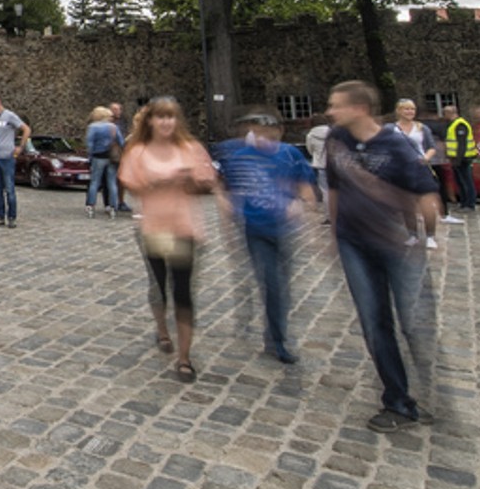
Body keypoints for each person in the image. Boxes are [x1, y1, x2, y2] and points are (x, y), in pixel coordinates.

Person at [325, 80, 440, 433]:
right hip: (353, 242)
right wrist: (334, 232)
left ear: (359, 108)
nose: (331, 111)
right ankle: (398, 400)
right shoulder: (337, 140)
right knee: (375, 323)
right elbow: (333, 187)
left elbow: (426, 194)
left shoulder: (396, 145)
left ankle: (427, 392)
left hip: (396, 244)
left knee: (413, 323)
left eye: (337, 105)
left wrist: (429, 237)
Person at [117, 96, 216, 384]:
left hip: (185, 229)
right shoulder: (138, 151)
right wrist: (155, 184)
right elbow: (130, 185)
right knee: (159, 288)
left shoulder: (190, 148)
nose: (166, 122)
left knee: (184, 292)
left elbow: (207, 182)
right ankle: (162, 329)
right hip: (154, 229)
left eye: (171, 117)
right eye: (160, 117)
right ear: (150, 121)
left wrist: (190, 182)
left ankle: (184, 358)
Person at [211, 109, 315, 364]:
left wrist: (301, 203)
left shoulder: (289, 154)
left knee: (281, 285)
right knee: (271, 283)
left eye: (267, 131)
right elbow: (224, 186)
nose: (260, 136)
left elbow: (305, 185)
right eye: (255, 131)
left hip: (282, 227)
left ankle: (275, 334)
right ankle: (277, 339)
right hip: (255, 229)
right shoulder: (239, 158)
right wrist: (226, 212)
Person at [388, 98, 442, 249]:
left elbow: (431, 147)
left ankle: (430, 236)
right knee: (407, 204)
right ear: (398, 111)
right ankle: (412, 234)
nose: (410, 112)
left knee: (427, 205)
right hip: (400, 170)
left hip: (419, 168)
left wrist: (426, 157)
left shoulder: (421, 128)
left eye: (412, 109)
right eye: (406, 109)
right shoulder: (390, 129)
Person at [0, 91, 28, 228]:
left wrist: (20, 146)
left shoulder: (9, 116)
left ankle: (12, 216)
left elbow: (26, 129)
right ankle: (0, 215)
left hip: (6, 157)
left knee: (9, 188)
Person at [440, 103, 477, 219]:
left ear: (450, 113)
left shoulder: (460, 124)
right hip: (456, 158)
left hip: (463, 158)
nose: (443, 115)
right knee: (460, 182)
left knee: (466, 181)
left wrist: (458, 159)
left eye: (445, 113)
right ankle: (464, 202)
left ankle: (469, 204)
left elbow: (462, 143)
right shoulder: (452, 124)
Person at [84, 106, 120, 217]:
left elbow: (89, 144)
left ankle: (91, 206)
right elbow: (121, 141)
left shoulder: (93, 127)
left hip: (98, 157)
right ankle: (113, 207)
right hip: (111, 157)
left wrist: (90, 157)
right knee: (112, 183)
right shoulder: (113, 127)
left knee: (95, 182)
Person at [109, 102, 133, 213]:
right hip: (111, 154)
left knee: (120, 180)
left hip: (121, 154)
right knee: (111, 179)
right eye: (114, 109)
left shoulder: (123, 123)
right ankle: (112, 203)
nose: (116, 112)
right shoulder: (107, 123)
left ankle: (120, 202)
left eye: (118, 109)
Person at [305, 120, 331, 198]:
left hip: (320, 164)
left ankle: (327, 207)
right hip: (333, 163)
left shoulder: (310, 136)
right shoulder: (333, 133)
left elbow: (310, 150)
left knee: (324, 189)